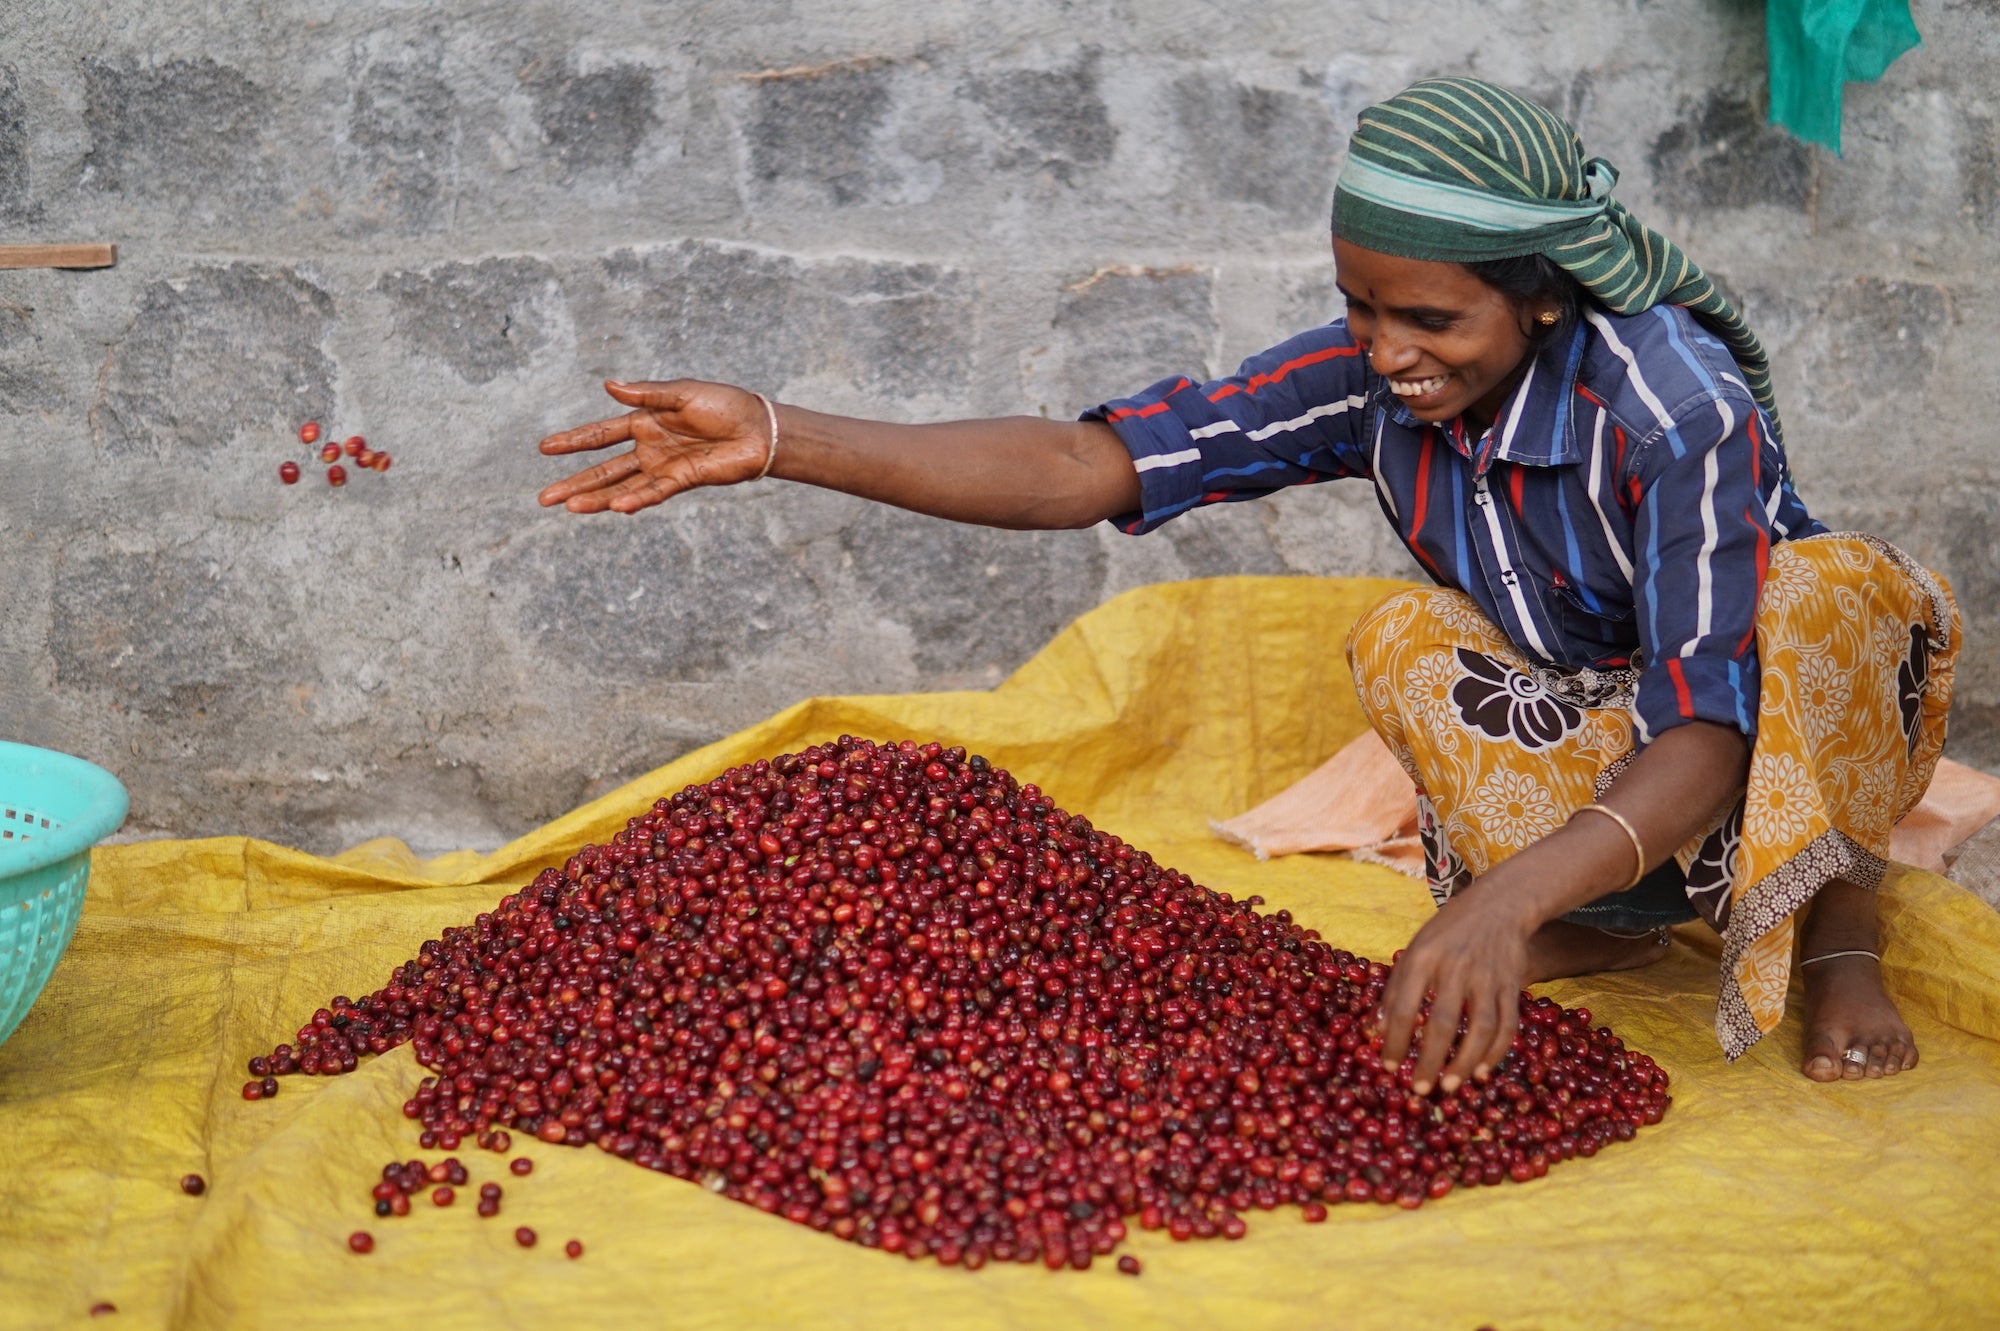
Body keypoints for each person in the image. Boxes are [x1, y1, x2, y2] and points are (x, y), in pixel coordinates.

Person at [535, 77, 1958, 1093]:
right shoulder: (1377, 382)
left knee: (1822, 595)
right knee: (1404, 633)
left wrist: (1495, 898)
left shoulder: (1672, 405)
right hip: (1599, 706)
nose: (1385, 349)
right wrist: (784, 439)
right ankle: (1608, 909)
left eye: (1428, 317)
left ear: (1543, 294)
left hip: (1747, 717)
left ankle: (1835, 932)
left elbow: (1708, 721)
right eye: (1358, 305)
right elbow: (1092, 464)